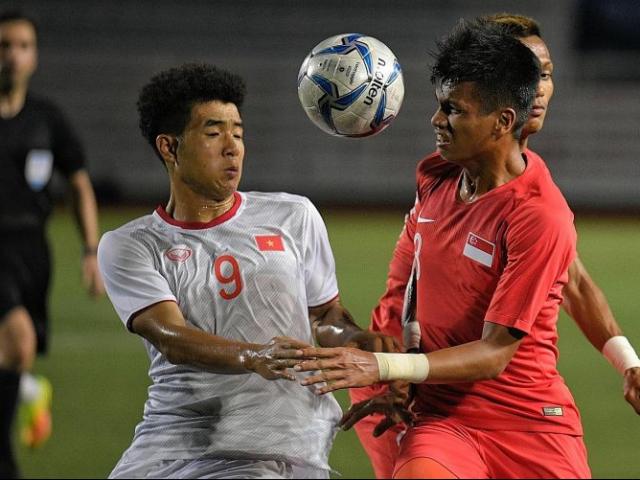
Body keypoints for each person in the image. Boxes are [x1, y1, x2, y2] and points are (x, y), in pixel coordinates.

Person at [291, 20, 640, 478]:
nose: (538, 88)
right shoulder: (439, 176)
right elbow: (410, 290)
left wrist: (627, 362)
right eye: (528, 73)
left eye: (546, 74)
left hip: (520, 414)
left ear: (503, 115)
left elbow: (568, 282)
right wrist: (388, 364)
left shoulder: (540, 211)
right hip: (417, 393)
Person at [97, 62, 397, 479]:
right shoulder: (131, 244)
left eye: (238, 133)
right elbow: (170, 337)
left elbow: (324, 316)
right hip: (171, 441)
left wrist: (354, 338)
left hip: (272, 446)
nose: (232, 147)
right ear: (169, 147)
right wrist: (253, 356)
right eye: (214, 133)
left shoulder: (294, 215)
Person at [0, 10, 103, 478]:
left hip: (31, 250)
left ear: (34, 56)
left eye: (22, 46)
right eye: (4, 45)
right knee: (17, 340)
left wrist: (90, 250)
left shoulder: (46, 118)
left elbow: (78, 182)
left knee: (15, 352)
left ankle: (26, 391)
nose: (12, 55)